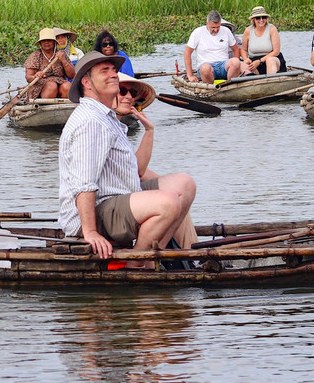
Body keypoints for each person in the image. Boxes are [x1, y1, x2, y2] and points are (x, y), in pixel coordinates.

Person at [58, 52, 197, 262]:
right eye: (104, 71)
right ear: (86, 82)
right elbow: (83, 183)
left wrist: (149, 131)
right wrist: (90, 232)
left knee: (184, 184)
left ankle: (153, 253)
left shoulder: (107, 118)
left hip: (117, 200)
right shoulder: (90, 121)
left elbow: (135, 172)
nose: (114, 74)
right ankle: (137, 262)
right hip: (95, 212)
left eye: (114, 70)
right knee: (168, 203)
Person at [112, 74, 197, 249]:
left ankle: (163, 251)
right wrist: (149, 132)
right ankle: (148, 256)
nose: (129, 97)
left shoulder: (120, 128)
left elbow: (137, 170)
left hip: (127, 192)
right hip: (112, 203)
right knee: (172, 201)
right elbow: (138, 171)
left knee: (182, 190)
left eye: (133, 93)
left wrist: (149, 130)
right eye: (122, 91)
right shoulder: (102, 125)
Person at [183, 11, 241, 84]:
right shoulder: (197, 32)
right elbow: (187, 53)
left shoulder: (226, 31)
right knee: (205, 68)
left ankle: (230, 84)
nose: (216, 30)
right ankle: (210, 86)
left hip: (223, 64)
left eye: (218, 27)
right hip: (206, 65)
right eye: (213, 27)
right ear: (207, 23)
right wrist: (190, 75)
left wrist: (236, 68)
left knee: (236, 62)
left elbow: (236, 49)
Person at [24, 28, 74, 99]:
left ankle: (62, 104)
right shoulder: (36, 55)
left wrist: (64, 61)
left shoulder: (61, 54)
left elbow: (71, 75)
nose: (46, 42)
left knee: (67, 86)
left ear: (54, 42)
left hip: (60, 85)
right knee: (52, 86)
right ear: (40, 43)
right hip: (40, 88)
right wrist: (35, 76)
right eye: (44, 41)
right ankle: (46, 104)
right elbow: (28, 77)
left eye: (49, 40)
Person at [240, 6, 286, 75]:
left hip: (272, 58)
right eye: (258, 18)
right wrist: (246, 59)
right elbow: (244, 49)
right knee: (242, 65)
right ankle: (252, 78)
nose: (261, 20)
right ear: (253, 19)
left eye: (263, 17)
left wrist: (260, 61)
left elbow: (276, 52)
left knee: (270, 60)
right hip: (254, 62)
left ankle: (271, 79)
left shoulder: (272, 29)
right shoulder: (248, 30)